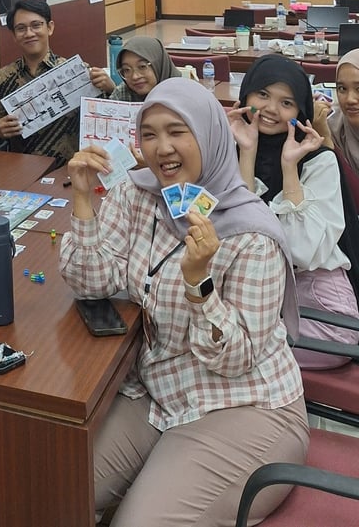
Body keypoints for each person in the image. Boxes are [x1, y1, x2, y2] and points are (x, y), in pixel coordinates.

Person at [59, 77, 308, 526]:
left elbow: (235, 359)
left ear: (209, 135)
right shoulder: (137, 193)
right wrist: (81, 198)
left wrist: (200, 285)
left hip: (243, 404)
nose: (162, 148)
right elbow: (91, 282)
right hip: (158, 390)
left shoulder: (251, 234)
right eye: (149, 134)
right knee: (53, 489)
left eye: (177, 131)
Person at [227, 54, 359, 369]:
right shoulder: (230, 148)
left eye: (286, 103)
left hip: (312, 292)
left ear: (300, 111)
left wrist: (289, 169)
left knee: (227, 344)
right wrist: (247, 154)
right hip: (252, 289)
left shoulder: (320, 160)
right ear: (246, 94)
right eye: (262, 94)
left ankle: (240, 349)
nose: (271, 109)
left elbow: (301, 251)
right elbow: (239, 234)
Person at [0, 0, 116, 171]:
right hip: (22, 171)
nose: (29, 33)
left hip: (70, 170)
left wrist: (111, 89)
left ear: (49, 27)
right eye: (21, 28)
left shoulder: (78, 72)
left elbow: (107, 121)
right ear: (14, 35)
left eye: (36, 25)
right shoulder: (0, 79)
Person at [108, 36, 182, 102]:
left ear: (158, 65)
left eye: (142, 67)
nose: (135, 77)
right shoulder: (122, 93)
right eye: (126, 70)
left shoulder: (181, 95)